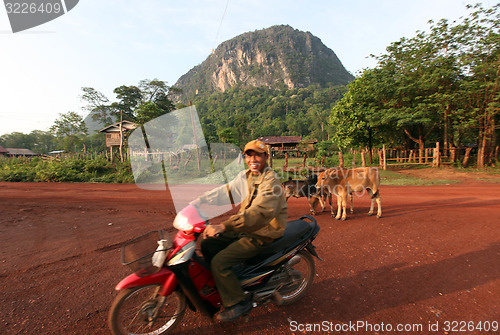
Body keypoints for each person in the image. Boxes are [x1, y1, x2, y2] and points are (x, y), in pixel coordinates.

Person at [190, 139, 288, 322]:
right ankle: (227, 282)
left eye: (258, 154)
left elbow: (259, 214)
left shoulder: (271, 180)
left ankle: (239, 302)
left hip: (261, 233)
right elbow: (227, 191)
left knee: (219, 262)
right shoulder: (247, 176)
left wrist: (224, 225)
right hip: (243, 228)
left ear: (266, 156)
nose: (253, 159)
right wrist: (201, 200)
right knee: (207, 243)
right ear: (245, 157)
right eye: (249, 155)